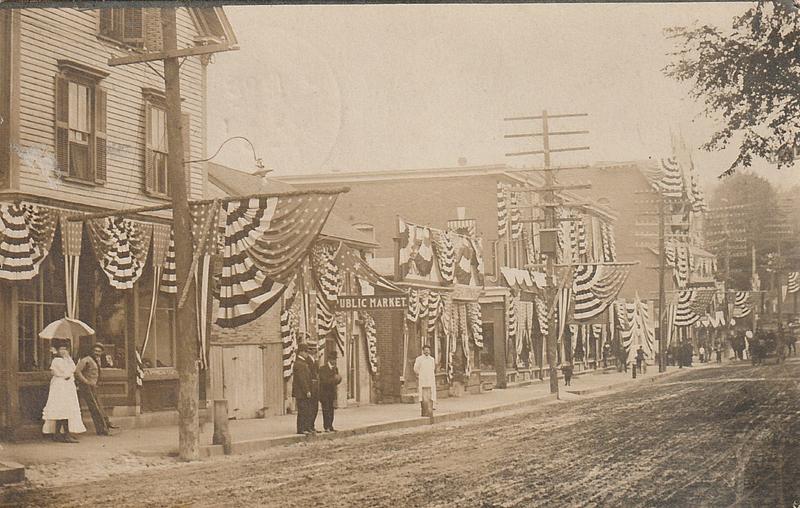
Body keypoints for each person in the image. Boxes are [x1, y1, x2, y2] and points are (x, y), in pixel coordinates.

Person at [42, 339, 86, 443]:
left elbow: (73, 369)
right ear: (57, 350)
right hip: (59, 386)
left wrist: (68, 360)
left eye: (65, 349)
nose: (63, 351)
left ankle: (61, 434)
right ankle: (63, 434)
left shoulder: (67, 359)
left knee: (66, 408)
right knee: (61, 408)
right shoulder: (56, 360)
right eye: (61, 349)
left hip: (68, 386)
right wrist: (66, 374)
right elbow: (59, 373)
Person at [75, 343, 117, 436]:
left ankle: (105, 426)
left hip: (94, 386)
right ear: (92, 351)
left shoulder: (97, 360)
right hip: (87, 386)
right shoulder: (86, 359)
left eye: (99, 351)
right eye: (95, 351)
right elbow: (77, 371)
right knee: (95, 408)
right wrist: (86, 381)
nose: (97, 353)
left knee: (99, 406)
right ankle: (102, 430)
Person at [292, 343, 319, 435]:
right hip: (301, 392)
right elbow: (302, 379)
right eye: (305, 352)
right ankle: (301, 428)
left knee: (306, 410)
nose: (307, 354)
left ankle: (305, 427)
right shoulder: (299, 364)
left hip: (303, 391)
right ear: (301, 352)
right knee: (302, 410)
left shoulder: (303, 363)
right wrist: (307, 390)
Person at [318, 351, 342, 432]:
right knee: (326, 410)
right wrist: (334, 379)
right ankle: (326, 426)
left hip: (332, 392)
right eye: (333, 359)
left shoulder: (335, 369)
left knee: (331, 410)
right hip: (324, 393)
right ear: (329, 360)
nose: (334, 361)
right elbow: (324, 381)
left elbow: (336, 382)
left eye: (335, 359)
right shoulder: (323, 369)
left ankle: (331, 425)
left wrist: (339, 379)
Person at [413, 345, 437, 409]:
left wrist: (430, 374)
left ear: (429, 351)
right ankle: (423, 406)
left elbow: (433, 368)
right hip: (423, 378)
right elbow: (415, 368)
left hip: (430, 377)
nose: (426, 352)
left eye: (428, 350)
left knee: (431, 391)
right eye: (425, 350)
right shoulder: (419, 359)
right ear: (423, 351)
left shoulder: (432, 359)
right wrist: (420, 374)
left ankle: (431, 406)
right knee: (422, 391)